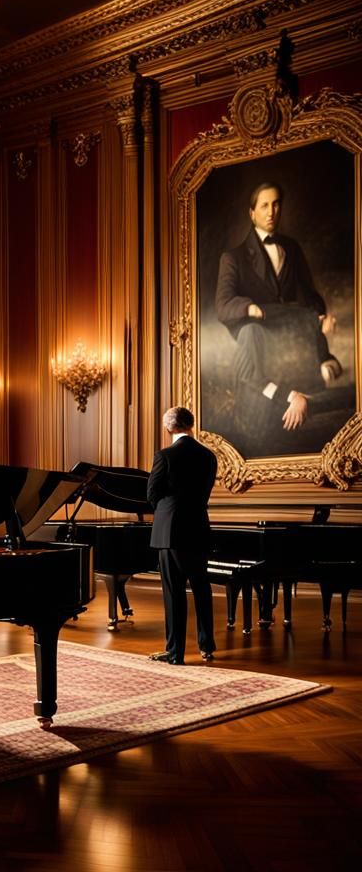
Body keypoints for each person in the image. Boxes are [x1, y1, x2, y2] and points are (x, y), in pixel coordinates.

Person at [215, 181, 340, 436]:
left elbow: (307, 291)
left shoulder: (291, 248)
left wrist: (321, 315)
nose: (271, 211)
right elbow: (223, 305)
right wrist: (249, 308)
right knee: (261, 413)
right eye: (264, 206)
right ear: (252, 213)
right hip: (261, 333)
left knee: (324, 378)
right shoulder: (233, 257)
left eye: (276, 204)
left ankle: (318, 377)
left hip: (291, 336)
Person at [146, 407, 217, 666]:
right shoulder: (209, 456)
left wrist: (167, 509)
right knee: (201, 588)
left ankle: (175, 653)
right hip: (198, 528)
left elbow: (152, 495)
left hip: (171, 532)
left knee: (174, 593)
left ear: (168, 428)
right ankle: (207, 646)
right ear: (191, 424)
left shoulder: (164, 455)